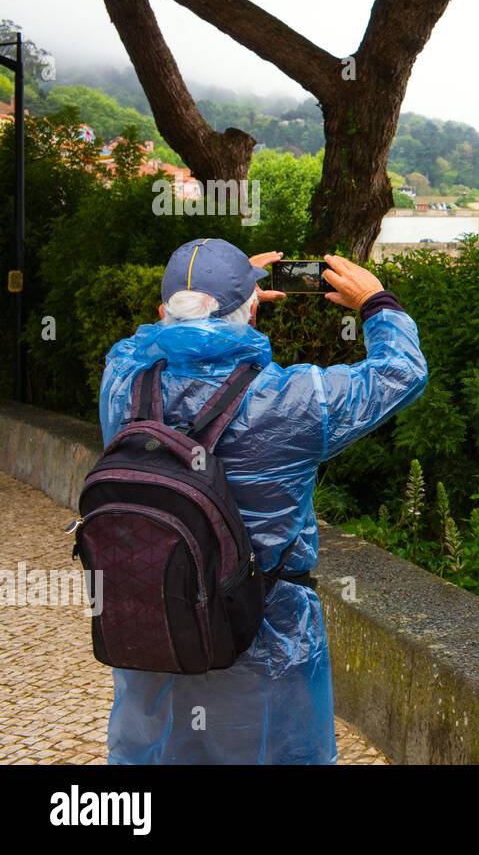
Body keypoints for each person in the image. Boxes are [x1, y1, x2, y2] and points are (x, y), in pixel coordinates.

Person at [97, 238, 428, 764]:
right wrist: (377, 303)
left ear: (163, 313)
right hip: (260, 637)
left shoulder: (122, 384)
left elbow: (144, 342)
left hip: (153, 629)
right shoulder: (293, 401)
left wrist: (211, 288)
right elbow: (400, 373)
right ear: (252, 310)